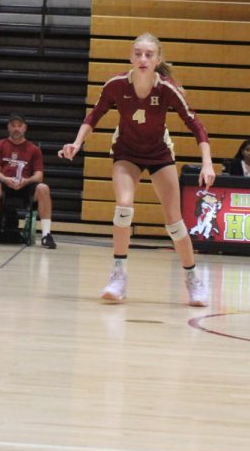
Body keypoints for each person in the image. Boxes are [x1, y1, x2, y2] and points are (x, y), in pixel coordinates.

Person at [59, 32, 213, 306]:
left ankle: (193, 279)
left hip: (158, 153)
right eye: (138, 54)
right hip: (126, 153)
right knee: (123, 207)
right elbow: (94, 115)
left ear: (158, 59)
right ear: (131, 57)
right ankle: (118, 275)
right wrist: (76, 143)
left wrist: (207, 163)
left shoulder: (166, 89)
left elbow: (196, 125)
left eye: (149, 54)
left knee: (175, 223)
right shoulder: (117, 85)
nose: (143, 59)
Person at [0, 114, 56, 248]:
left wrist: (26, 181)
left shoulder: (34, 149)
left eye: (19, 126)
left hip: (25, 185)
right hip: (5, 184)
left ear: (25, 128)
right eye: (13, 126)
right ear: (8, 127)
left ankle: (46, 235)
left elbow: (39, 175)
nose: (16, 129)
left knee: (43, 188)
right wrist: (5, 179)